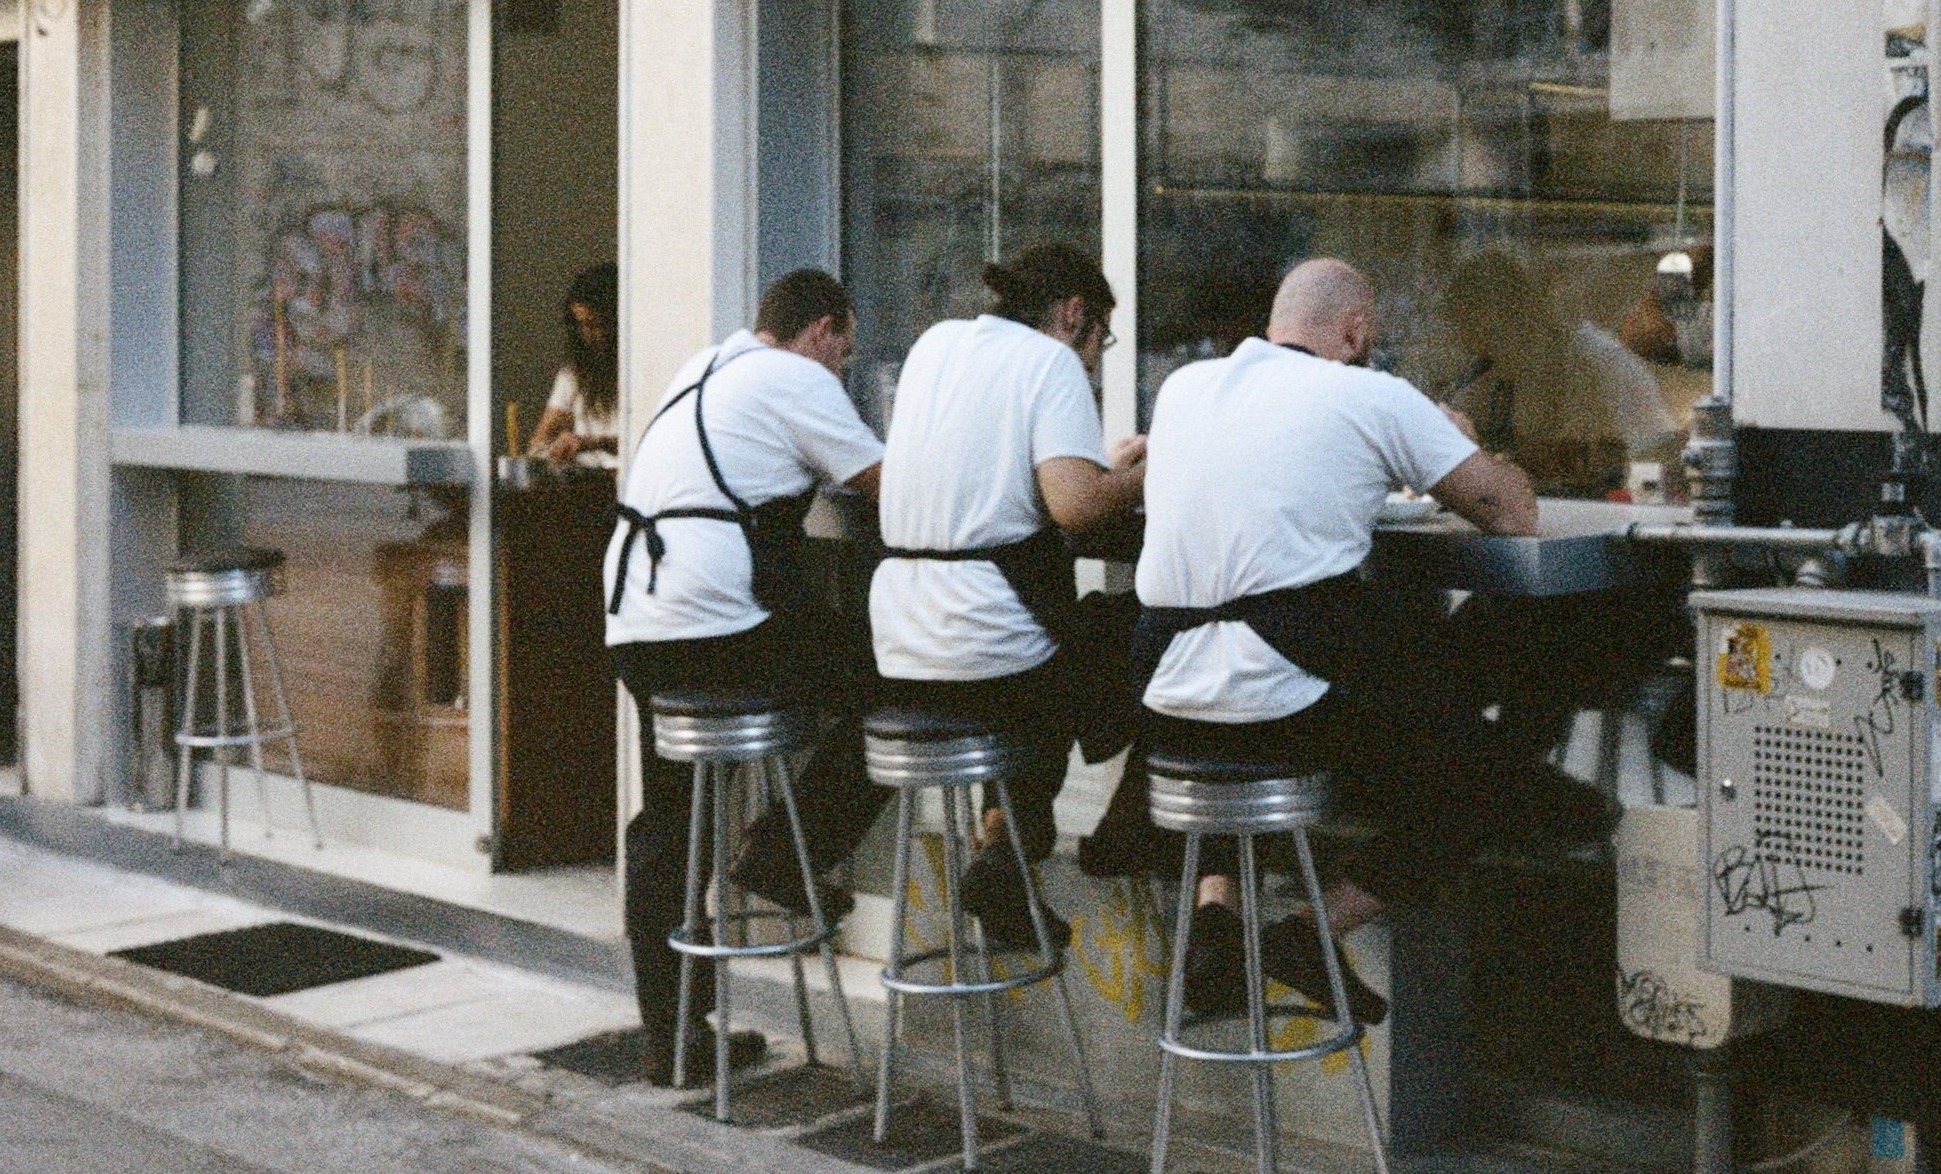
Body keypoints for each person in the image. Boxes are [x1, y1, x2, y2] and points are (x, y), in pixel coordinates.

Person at [1133, 257, 1600, 1022]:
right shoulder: (1372, 393)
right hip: (1281, 709)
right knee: (1491, 781)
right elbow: (1512, 514)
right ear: (1355, 331)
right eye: (1370, 336)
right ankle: (1309, 931)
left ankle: (1217, 914)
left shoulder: (1185, 388)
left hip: (1162, 704)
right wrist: (1460, 439)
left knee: (1245, 696)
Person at [604, 268, 890, 1086]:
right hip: (719, 617)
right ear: (822, 331)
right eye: (845, 351)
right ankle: (787, 855)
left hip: (638, 619)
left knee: (671, 818)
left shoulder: (707, 365)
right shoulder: (795, 375)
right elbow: (890, 485)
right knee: (893, 682)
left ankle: (676, 1039)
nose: (841, 369)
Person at [867, 243, 1146, 951]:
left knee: (1040, 667)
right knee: (1120, 635)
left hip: (900, 640)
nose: (1092, 360)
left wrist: (1095, 470)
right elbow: (1078, 506)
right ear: (1073, 313)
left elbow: (992, 468)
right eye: (1099, 341)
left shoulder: (935, 344)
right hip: (989, 652)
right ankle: (1123, 825)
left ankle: (1006, 853)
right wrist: (1153, 472)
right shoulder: (1049, 360)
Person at [529, 263, 620, 468]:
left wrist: (594, 443)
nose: (587, 335)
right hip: (586, 485)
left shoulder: (639, 371)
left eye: (596, 325)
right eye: (581, 325)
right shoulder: (574, 374)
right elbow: (540, 439)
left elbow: (648, 443)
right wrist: (548, 449)